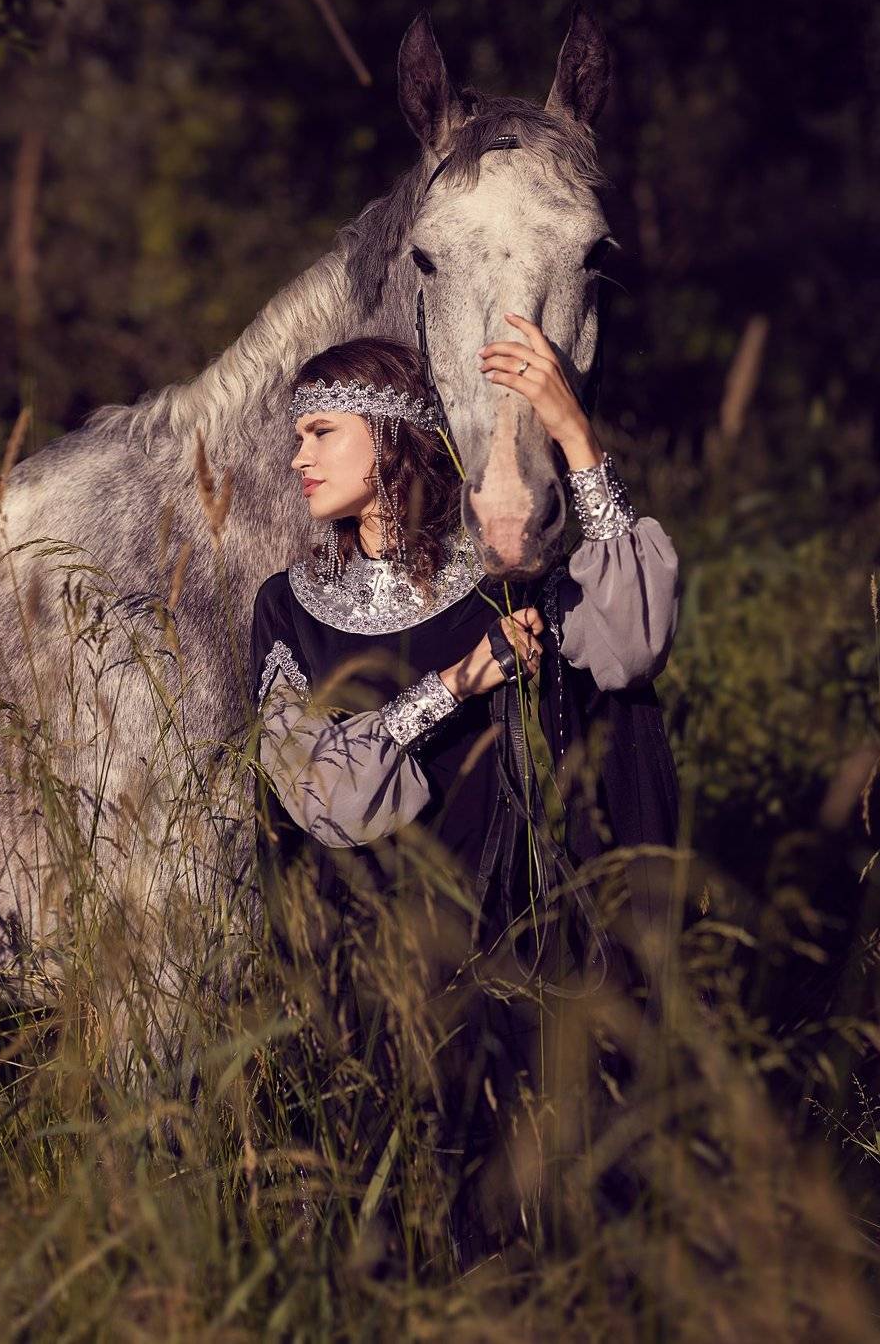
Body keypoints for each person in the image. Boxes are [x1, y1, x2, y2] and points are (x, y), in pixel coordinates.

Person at [247, 322, 679, 1260]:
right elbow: (317, 792)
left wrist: (573, 435)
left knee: (512, 1230)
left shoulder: (498, 580)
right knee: (377, 1229)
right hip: (361, 960)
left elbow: (633, 644)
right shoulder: (287, 604)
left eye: (320, 432)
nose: (298, 458)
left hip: (498, 943)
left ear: (389, 436)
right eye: (297, 436)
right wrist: (453, 686)